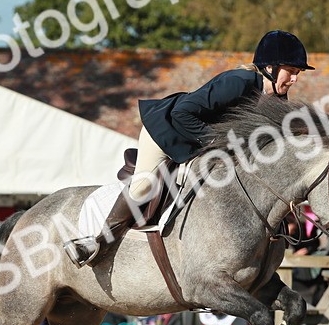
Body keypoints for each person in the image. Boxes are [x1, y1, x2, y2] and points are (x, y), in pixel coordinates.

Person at [64, 29, 314, 267]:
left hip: (205, 146)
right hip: (166, 130)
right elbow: (182, 113)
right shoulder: (237, 82)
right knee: (143, 187)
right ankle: (97, 242)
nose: (293, 79)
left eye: (297, 73)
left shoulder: (278, 101)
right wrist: (218, 144)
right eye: (290, 71)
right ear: (269, 67)